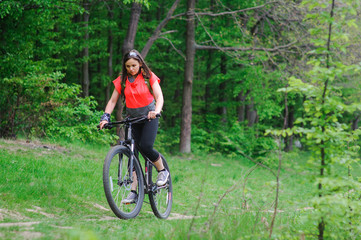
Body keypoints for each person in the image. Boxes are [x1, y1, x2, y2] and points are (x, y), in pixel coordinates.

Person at [99, 49, 169, 204]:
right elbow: (112, 101)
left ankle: (162, 171)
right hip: (133, 119)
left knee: (146, 146)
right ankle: (133, 192)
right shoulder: (122, 81)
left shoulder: (147, 77)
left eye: (134, 65)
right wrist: (106, 117)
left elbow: (159, 97)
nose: (131, 69)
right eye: (128, 66)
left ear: (140, 64)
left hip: (149, 117)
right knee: (132, 154)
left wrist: (156, 111)